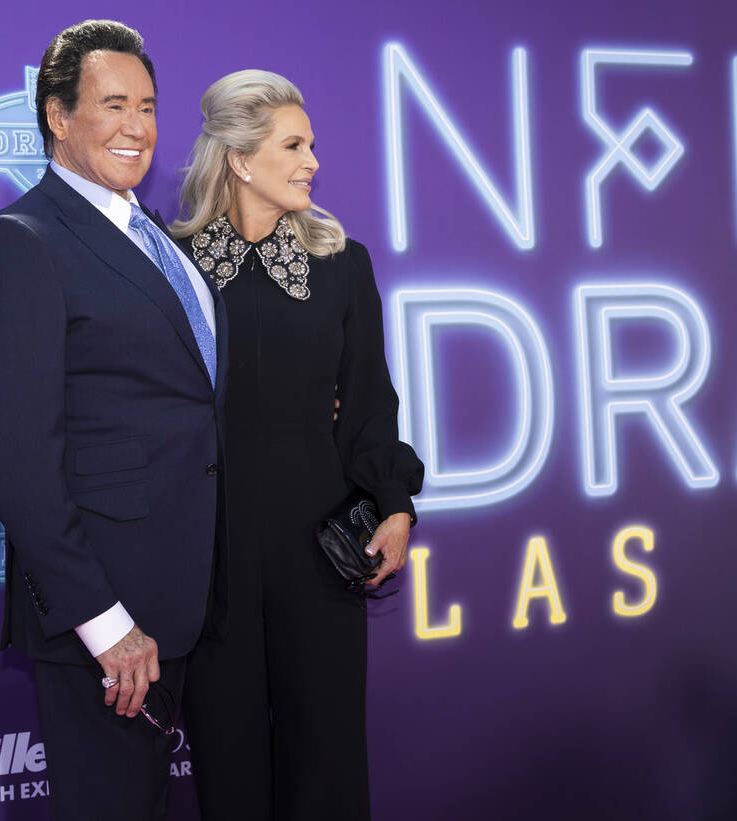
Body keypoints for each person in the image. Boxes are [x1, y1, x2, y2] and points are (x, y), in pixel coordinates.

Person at [0, 20, 226, 821]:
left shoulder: (165, 243)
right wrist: (106, 626)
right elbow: (18, 459)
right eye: (113, 104)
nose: (137, 126)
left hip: (190, 601)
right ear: (56, 114)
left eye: (147, 105)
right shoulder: (21, 242)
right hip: (110, 624)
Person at [171, 70, 423, 820]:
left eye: (311, 143)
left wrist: (396, 504)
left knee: (328, 755)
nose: (313, 159)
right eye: (294, 144)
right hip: (210, 548)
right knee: (227, 755)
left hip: (319, 542)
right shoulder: (171, 267)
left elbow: (370, 404)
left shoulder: (344, 263)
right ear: (240, 158)